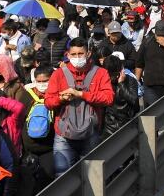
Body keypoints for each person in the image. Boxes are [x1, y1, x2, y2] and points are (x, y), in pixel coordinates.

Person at [49, 40, 116, 174]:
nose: (77, 57)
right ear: (68, 55)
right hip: (63, 134)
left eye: (81, 53)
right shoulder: (58, 74)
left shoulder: (101, 73)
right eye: (73, 54)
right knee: (62, 176)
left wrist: (81, 94)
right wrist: (61, 98)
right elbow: (48, 102)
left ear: (89, 53)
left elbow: (109, 98)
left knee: (92, 175)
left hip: (91, 132)